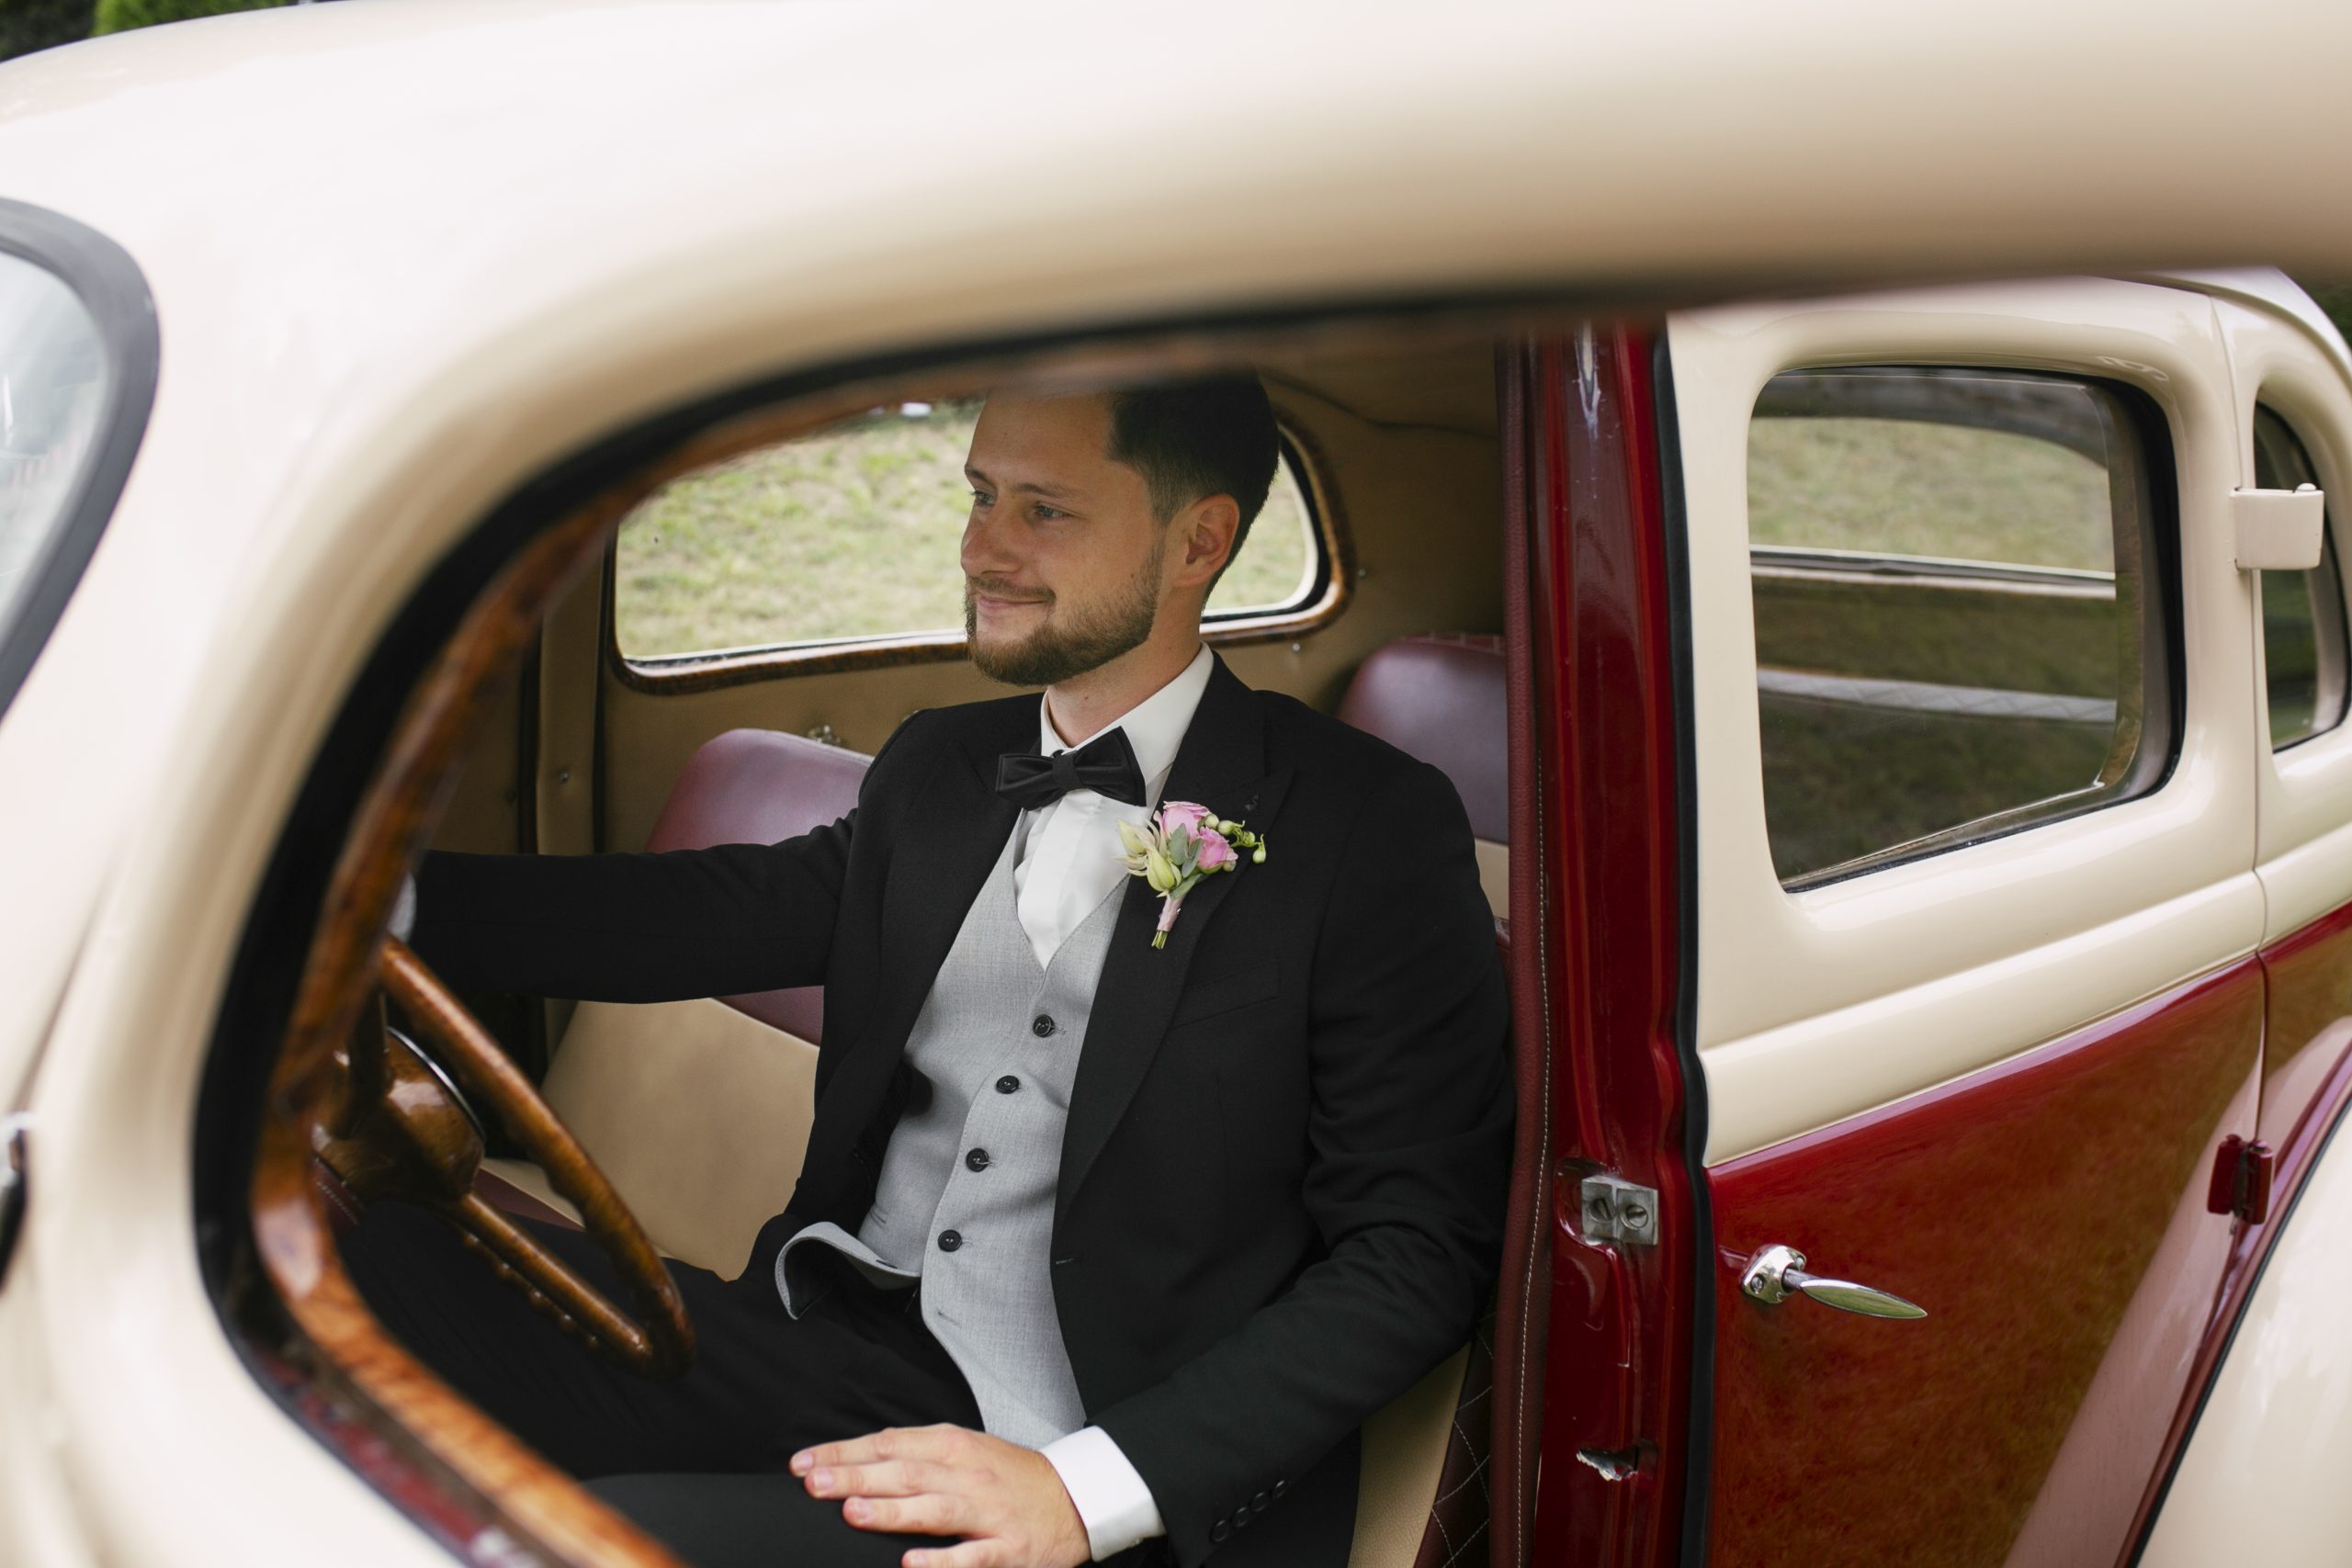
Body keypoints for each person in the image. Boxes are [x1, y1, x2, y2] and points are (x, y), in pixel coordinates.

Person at [345, 374, 1513, 1568]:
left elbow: (1416, 1249)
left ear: (1197, 542)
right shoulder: (943, 766)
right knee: (350, 1262)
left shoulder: (1366, 827)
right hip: (820, 1341)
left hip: (1081, 1446)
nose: (982, 550)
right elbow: (707, 910)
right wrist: (348, 902)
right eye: (979, 497)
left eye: (1042, 512)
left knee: (596, 1544)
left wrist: (1084, 1491)